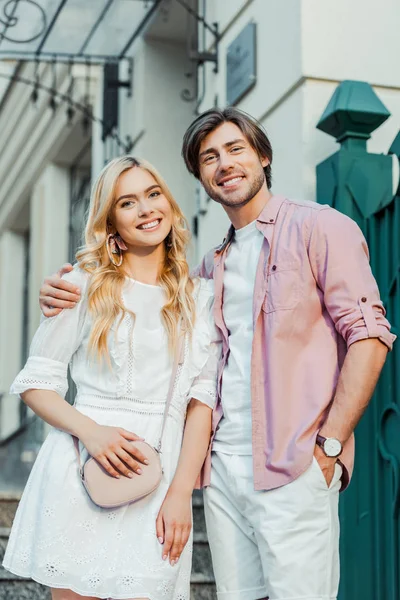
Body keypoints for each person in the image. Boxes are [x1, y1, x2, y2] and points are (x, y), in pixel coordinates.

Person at [38, 108, 395, 600]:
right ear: (200, 178)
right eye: (209, 157)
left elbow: (370, 335)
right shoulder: (208, 270)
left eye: (235, 149)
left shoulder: (321, 228)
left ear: (262, 156)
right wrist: (72, 285)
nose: (224, 163)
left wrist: (330, 446)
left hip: (295, 465)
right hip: (224, 473)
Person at [3, 156, 220, 600]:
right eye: (128, 202)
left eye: (153, 194)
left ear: (170, 205)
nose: (146, 210)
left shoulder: (201, 298)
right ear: (111, 223)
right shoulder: (84, 286)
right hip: (82, 466)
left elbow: (202, 403)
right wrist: (94, 434)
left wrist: (181, 492)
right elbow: (37, 383)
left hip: (158, 475)